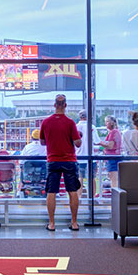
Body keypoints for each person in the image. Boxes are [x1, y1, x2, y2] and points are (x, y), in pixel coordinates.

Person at [41, 94, 82, 233]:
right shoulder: (70, 123)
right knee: (72, 191)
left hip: (53, 160)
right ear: (65, 105)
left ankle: (52, 223)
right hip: (69, 161)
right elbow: (77, 143)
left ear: (54, 105)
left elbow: (42, 141)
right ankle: (74, 223)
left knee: (51, 191)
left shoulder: (45, 122)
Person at [100, 115, 123, 190]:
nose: (105, 124)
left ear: (112, 123)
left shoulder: (113, 132)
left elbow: (110, 146)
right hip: (114, 158)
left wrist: (99, 142)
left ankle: (114, 197)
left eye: (107, 122)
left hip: (113, 158)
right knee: (114, 179)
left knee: (114, 180)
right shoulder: (115, 132)